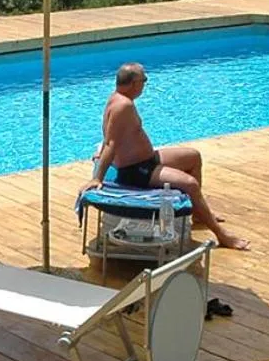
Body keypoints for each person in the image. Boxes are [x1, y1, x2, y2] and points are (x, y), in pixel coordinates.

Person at [85, 62, 248, 250]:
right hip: (137, 170)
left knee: (193, 156)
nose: (145, 84)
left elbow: (112, 135)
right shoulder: (123, 106)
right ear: (133, 84)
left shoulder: (117, 99)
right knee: (190, 184)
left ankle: (197, 214)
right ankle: (222, 235)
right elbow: (111, 143)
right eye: (143, 80)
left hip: (148, 160)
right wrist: (97, 177)